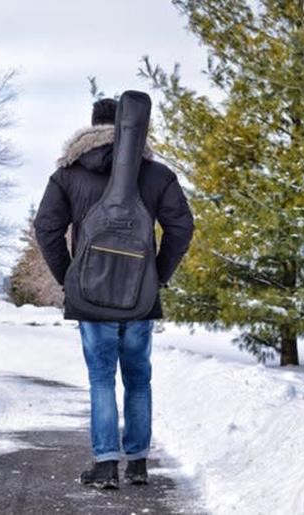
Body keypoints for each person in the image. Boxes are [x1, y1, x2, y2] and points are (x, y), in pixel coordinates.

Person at [33, 97, 195, 489]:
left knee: (102, 379)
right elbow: (182, 228)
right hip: (140, 297)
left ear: (91, 129)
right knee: (138, 380)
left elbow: (45, 229)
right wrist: (158, 274)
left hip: (90, 296)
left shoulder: (68, 175)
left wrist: (68, 277)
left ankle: (105, 465)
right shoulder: (157, 175)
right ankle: (137, 463)